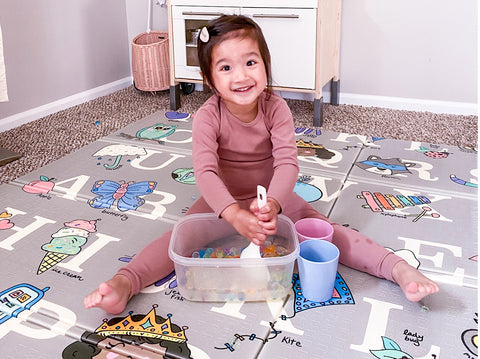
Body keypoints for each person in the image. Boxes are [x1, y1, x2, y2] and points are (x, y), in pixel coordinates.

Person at [84, 15, 439, 314]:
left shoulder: (276, 108)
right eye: (226, 67)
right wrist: (232, 214)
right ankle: (125, 282)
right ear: (210, 80)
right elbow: (205, 172)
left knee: (327, 232)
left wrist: (274, 203)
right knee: (177, 239)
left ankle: (398, 268)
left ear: (265, 66)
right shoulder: (208, 117)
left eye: (251, 62)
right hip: (221, 202)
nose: (241, 76)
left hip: (273, 199)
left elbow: (287, 164)